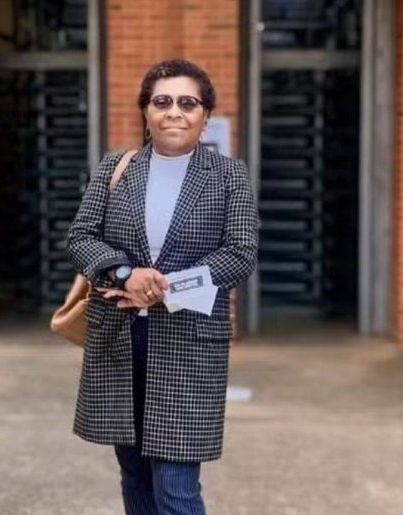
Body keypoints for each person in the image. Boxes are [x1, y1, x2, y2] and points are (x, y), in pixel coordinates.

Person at [66, 59, 259, 515]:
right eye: (162, 101)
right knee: (134, 474)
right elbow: (81, 237)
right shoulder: (115, 167)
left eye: (188, 103)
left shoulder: (229, 175)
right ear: (146, 111)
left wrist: (164, 287)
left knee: (175, 485)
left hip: (189, 342)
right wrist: (124, 274)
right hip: (119, 339)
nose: (174, 111)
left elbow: (240, 253)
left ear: (205, 115)